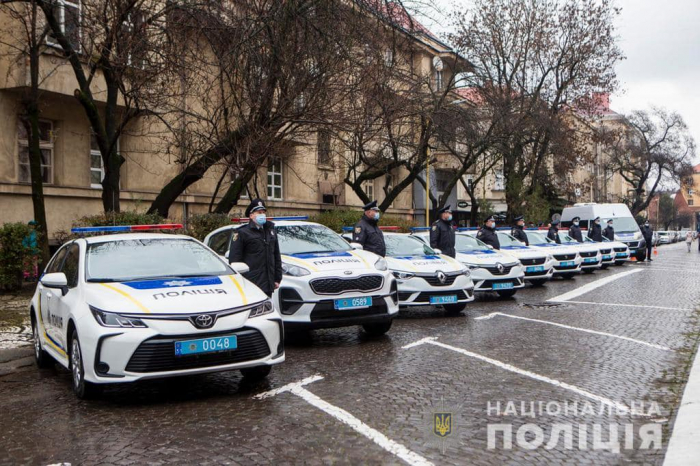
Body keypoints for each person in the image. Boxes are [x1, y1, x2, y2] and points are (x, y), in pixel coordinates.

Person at [229, 198, 282, 297]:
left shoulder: (270, 231)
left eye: (263, 212)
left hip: (267, 283)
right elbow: (235, 259)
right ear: (251, 215)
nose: (262, 215)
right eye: (259, 212)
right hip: (251, 283)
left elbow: (276, 255)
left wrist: (277, 278)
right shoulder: (242, 232)